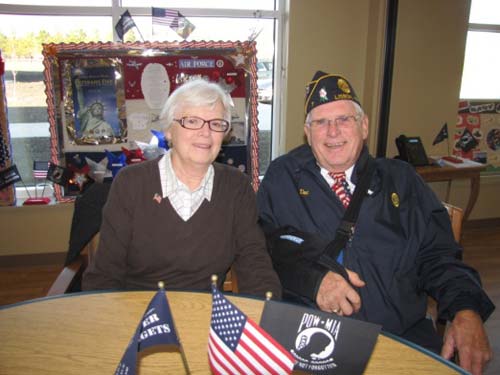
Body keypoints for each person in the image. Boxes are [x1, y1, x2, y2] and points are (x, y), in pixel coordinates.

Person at [257, 71, 494, 374]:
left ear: (364, 126)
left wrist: (466, 308)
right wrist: (313, 278)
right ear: (307, 131)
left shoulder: (402, 179)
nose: (333, 132)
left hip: (400, 336)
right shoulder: (282, 177)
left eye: (344, 119)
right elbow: (263, 245)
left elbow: (439, 255)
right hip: (314, 339)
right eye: (320, 122)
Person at [83, 79, 281, 298]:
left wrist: (268, 312)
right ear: (169, 130)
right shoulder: (131, 183)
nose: (205, 133)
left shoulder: (236, 187)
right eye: (192, 121)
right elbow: (104, 276)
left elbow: (255, 262)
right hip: (136, 312)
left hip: (203, 313)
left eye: (216, 123)